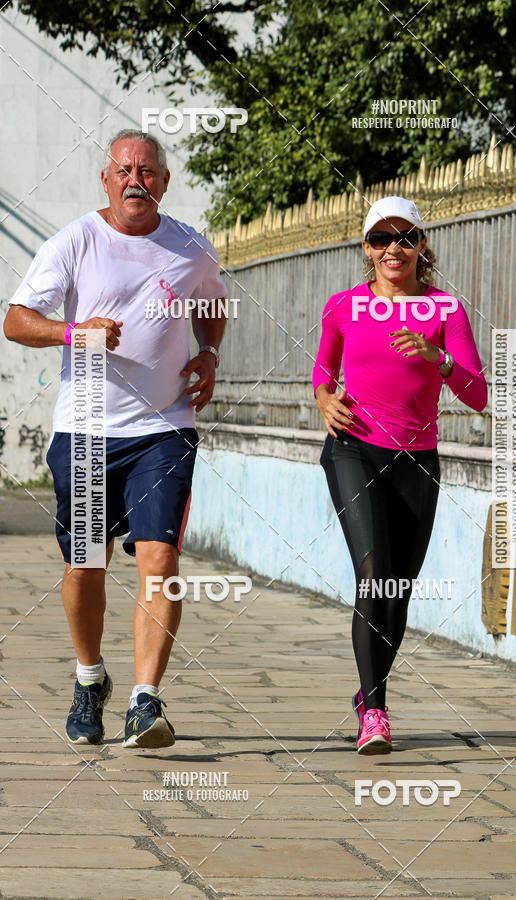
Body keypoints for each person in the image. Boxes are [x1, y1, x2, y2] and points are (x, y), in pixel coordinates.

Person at [3, 129, 227, 749]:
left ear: (164, 181)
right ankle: (88, 678)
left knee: (161, 558)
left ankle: (145, 700)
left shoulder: (191, 249)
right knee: (87, 564)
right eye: (124, 169)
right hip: (87, 431)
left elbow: (213, 305)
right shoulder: (75, 241)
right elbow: (16, 321)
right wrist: (74, 333)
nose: (136, 179)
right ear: (106, 179)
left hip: (165, 427)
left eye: (148, 170)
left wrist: (207, 353)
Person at [313, 196, 487, 754]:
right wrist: (323, 401)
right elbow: (322, 372)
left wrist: (438, 357)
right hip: (352, 449)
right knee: (373, 572)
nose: (394, 248)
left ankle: (366, 699)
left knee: (397, 588)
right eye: (382, 239)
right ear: (366, 248)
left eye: (406, 237)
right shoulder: (343, 306)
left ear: (422, 245)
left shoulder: (446, 310)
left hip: (417, 459)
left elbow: (478, 395)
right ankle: (377, 709)